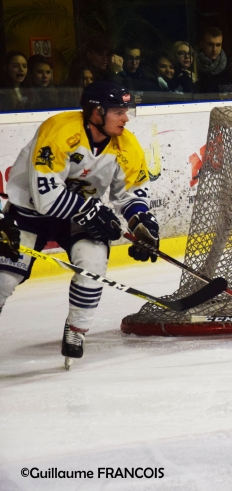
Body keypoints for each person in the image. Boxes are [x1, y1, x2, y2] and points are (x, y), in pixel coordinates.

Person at [0, 81, 159, 366]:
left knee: (93, 264)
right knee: (4, 278)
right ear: (96, 112)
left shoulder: (127, 145)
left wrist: (142, 224)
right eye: (118, 111)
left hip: (78, 216)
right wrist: (93, 212)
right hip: (29, 212)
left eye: (127, 111)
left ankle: (76, 330)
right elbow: (45, 197)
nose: (126, 118)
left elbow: (131, 193)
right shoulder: (59, 130)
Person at [195, 26, 232, 94]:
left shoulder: (229, 67)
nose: (214, 50)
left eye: (218, 45)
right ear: (202, 45)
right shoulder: (192, 64)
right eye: (210, 45)